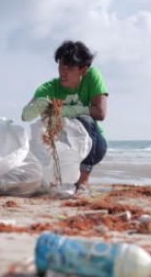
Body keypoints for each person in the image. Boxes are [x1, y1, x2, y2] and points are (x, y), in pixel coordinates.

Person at [21, 40, 108, 193]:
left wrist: (63, 111)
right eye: (61, 65)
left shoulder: (92, 77)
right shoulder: (49, 88)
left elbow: (100, 113)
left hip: (93, 145)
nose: (63, 72)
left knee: (85, 120)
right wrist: (39, 106)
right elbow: (25, 116)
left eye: (69, 67)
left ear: (83, 69)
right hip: (60, 142)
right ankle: (59, 180)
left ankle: (83, 181)